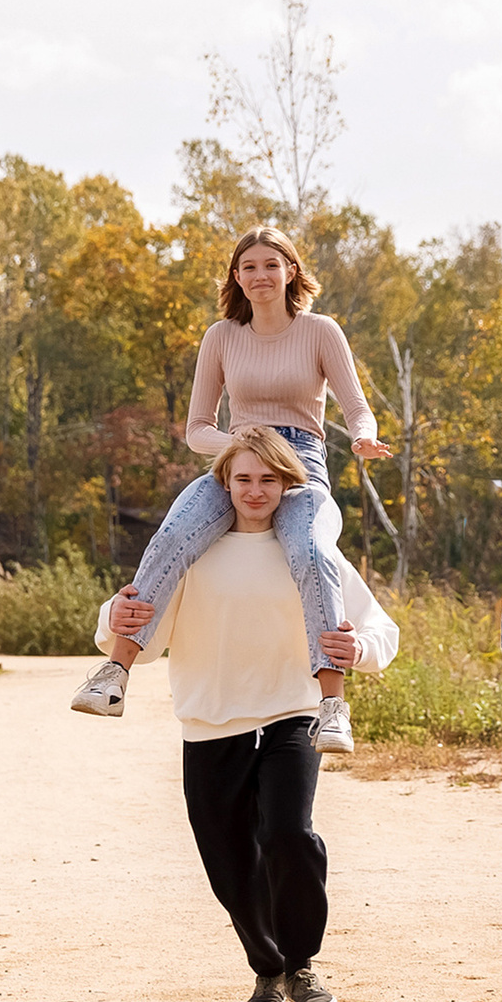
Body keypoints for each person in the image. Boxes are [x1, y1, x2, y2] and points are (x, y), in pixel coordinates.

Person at [98, 426, 399, 1002]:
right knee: (231, 865)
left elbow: (379, 629)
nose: (255, 491)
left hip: (293, 715)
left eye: (268, 479)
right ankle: (268, 969)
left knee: (289, 835)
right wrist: (115, 614)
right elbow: (146, 641)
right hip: (210, 723)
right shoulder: (191, 552)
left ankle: (302, 964)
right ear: (223, 484)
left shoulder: (313, 552)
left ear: (288, 484)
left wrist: (359, 649)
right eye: (243, 479)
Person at [71, 226, 394, 756]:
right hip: (236, 460)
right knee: (173, 534)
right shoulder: (221, 336)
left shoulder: (320, 331)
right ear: (236, 278)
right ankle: (114, 672)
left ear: (290, 271)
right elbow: (197, 428)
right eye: (249, 267)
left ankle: (333, 706)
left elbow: (356, 406)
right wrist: (241, 446)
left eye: (271, 264)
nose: (260, 275)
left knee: (311, 552)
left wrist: (363, 437)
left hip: (298, 467)